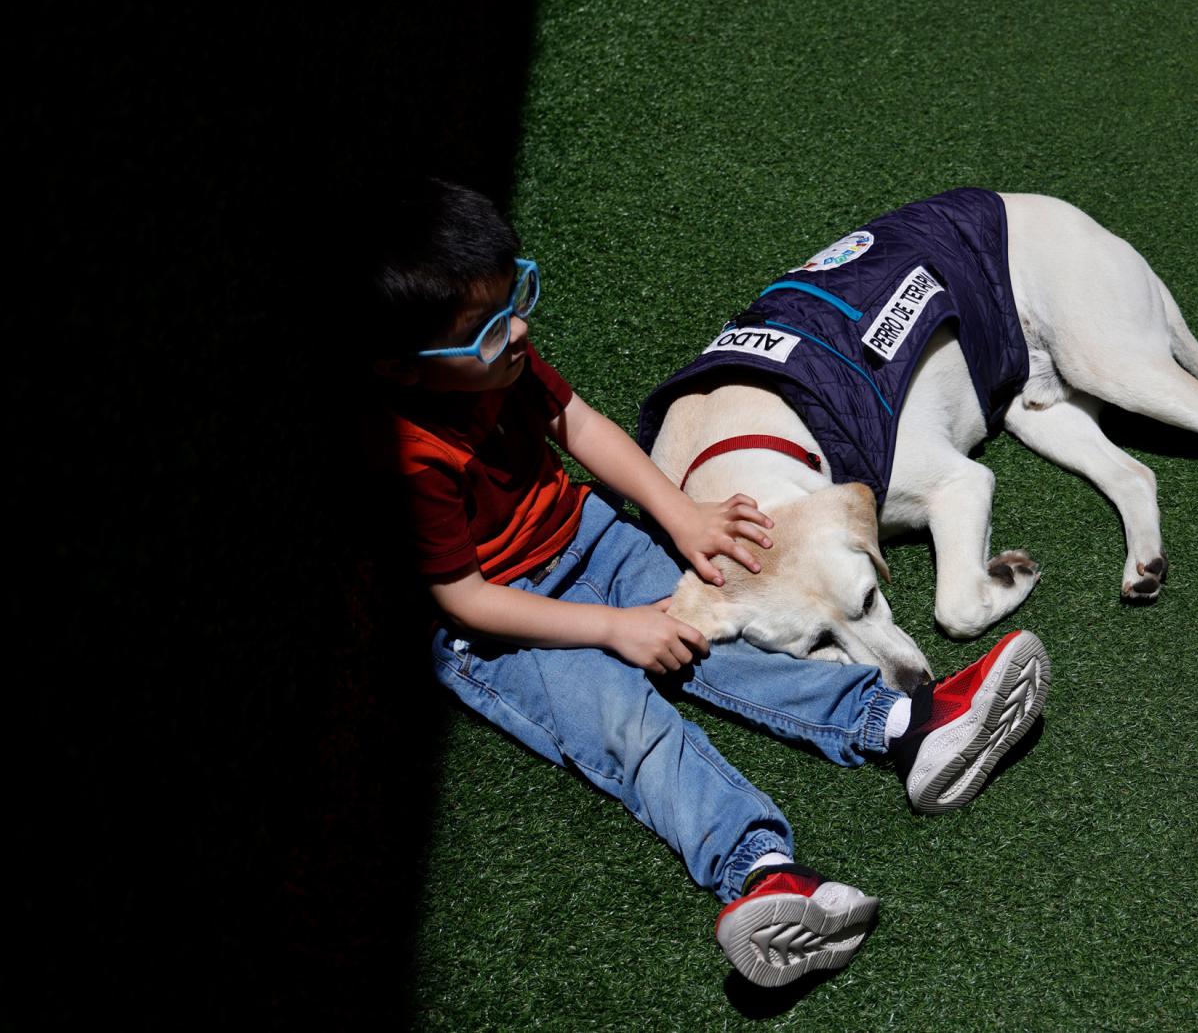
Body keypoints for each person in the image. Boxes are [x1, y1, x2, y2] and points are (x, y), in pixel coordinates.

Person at [358, 178, 1052, 988]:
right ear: (401, 369)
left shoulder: (502, 358)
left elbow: (578, 424)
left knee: (724, 632)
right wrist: (613, 630)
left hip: (590, 536)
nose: (516, 330)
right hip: (499, 628)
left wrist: (681, 515)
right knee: (628, 726)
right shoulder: (409, 455)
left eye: (517, 296)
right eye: (482, 331)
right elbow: (465, 598)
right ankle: (762, 876)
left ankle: (912, 724)